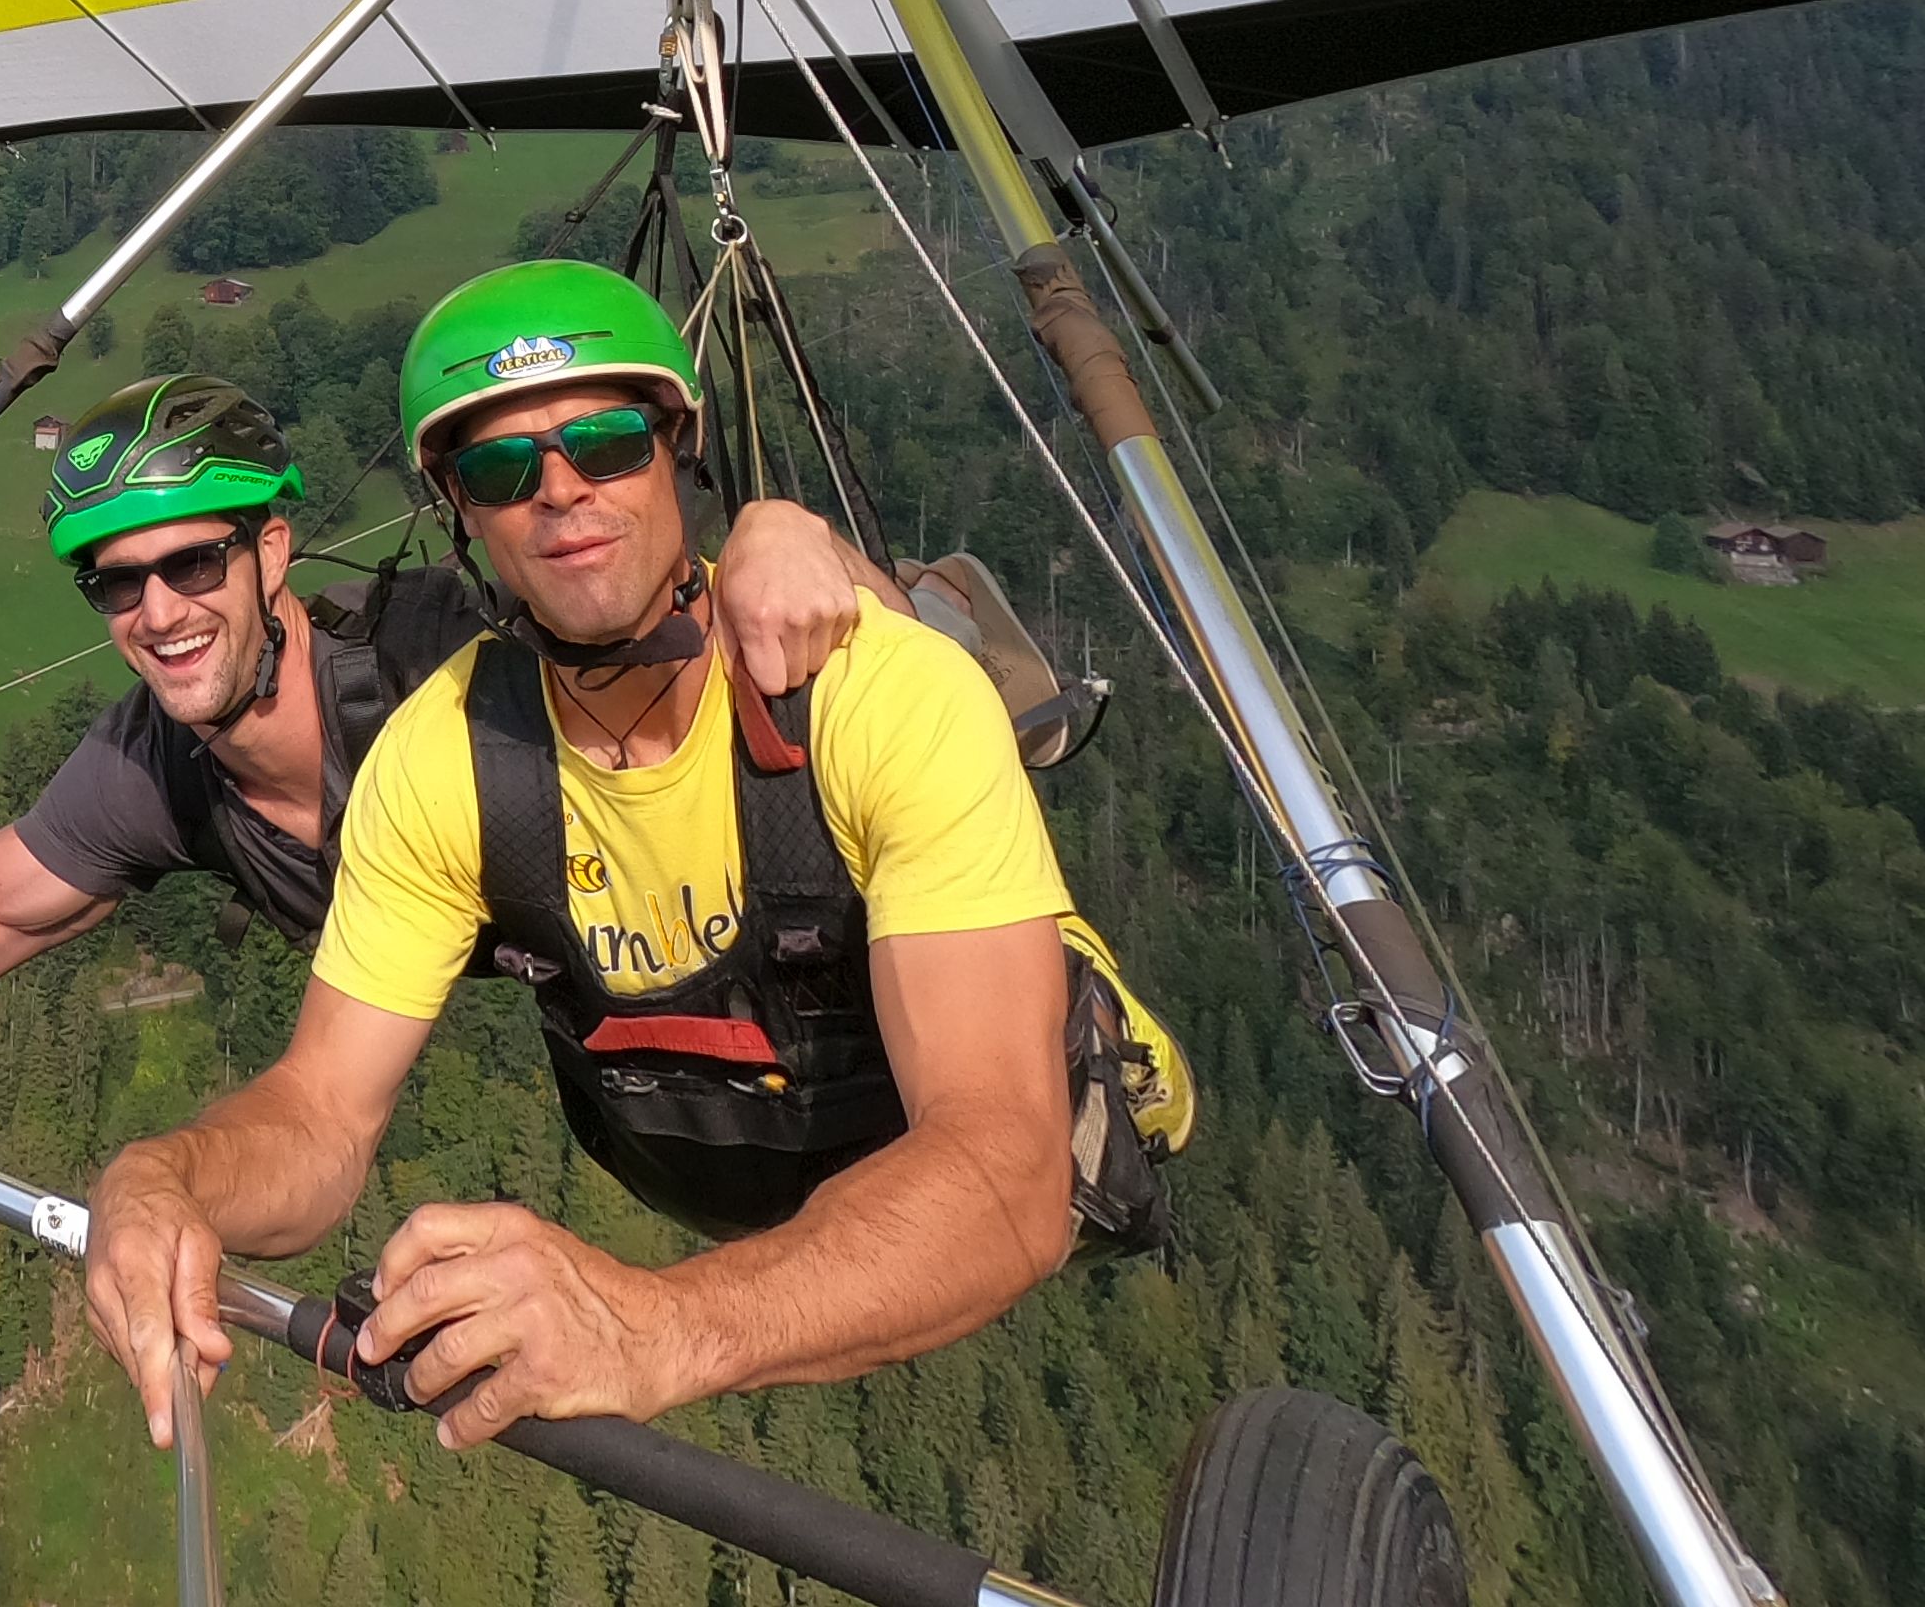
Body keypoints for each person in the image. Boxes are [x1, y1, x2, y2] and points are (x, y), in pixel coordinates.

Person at [80, 263, 1192, 1453]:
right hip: (745, 1165)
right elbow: (317, 1115)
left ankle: (932, 598)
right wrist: (165, 1177)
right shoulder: (442, 758)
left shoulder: (884, 699)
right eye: (504, 471)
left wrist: (654, 1325)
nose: (560, 492)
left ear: (677, 452)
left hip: (982, 1137)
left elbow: (1003, 1174)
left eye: (606, 443)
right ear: (461, 514)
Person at [0, 367, 881, 995]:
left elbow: (625, 599)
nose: (158, 613)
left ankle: (948, 591)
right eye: (116, 586)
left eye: (191, 563)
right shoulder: (155, 767)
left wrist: (780, 534)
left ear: (270, 550)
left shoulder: (440, 651)